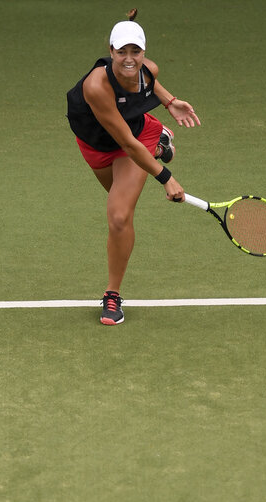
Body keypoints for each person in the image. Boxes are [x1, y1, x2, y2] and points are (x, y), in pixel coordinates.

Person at [66, 10, 201, 325]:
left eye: (135, 51)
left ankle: (112, 294)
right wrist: (166, 177)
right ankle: (159, 145)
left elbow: (150, 82)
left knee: (118, 217)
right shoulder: (96, 86)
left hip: (135, 137)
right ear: (110, 52)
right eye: (122, 52)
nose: (129, 58)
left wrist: (170, 102)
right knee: (117, 195)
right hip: (99, 145)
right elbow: (123, 143)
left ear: (144, 52)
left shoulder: (147, 69)